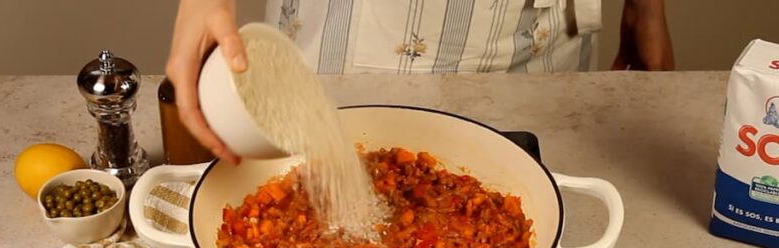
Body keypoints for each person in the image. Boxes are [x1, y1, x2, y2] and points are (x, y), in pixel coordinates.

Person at [167, 0, 674, 162]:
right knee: (317, 170)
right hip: (362, 35)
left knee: (523, 174)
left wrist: (644, 6)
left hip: (540, 38)